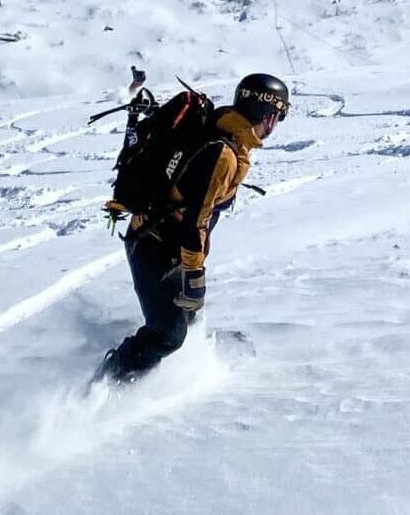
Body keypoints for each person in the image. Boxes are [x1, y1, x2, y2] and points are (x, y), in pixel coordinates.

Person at [104, 72, 290, 380]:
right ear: (267, 115)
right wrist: (194, 275)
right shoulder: (224, 154)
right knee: (168, 334)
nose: (275, 125)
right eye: (277, 117)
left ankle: (192, 357)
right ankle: (107, 383)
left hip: (165, 243)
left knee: (185, 319)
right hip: (154, 245)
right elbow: (195, 220)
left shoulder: (227, 134)